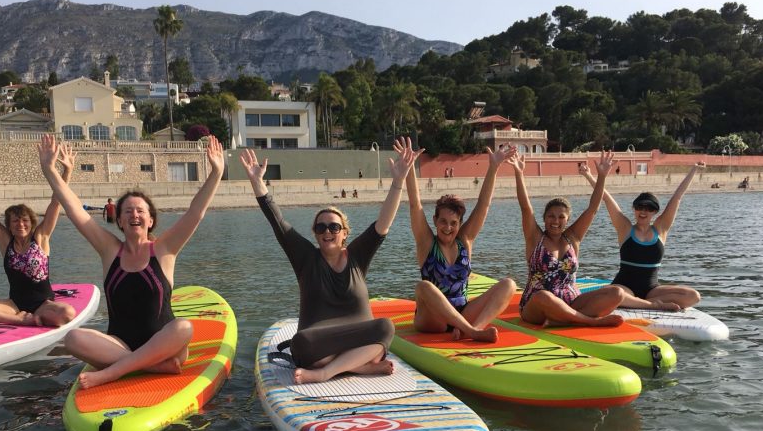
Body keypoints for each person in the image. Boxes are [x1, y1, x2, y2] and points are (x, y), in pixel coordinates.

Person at [39, 134, 225, 389]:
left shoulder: (164, 249)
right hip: (119, 345)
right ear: (120, 221)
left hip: (165, 347)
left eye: (140, 211)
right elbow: (75, 211)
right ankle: (149, 367)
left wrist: (216, 173)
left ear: (150, 221)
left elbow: (196, 212)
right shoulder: (109, 250)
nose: (134, 214)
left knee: (183, 328)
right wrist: (50, 171)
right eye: (127, 211)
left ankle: (112, 373)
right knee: (72, 338)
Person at [240, 137, 421, 384]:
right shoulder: (305, 258)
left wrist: (398, 181)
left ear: (344, 233)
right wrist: (257, 183)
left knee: (385, 327)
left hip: (351, 344)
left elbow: (384, 223)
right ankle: (359, 366)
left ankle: (327, 372)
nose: (327, 232)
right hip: (319, 343)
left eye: (334, 227)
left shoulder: (358, 255)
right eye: (321, 227)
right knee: (301, 342)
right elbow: (278, 222)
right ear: (315, 232)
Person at [0, 138, 76, 327]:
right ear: (9, 225)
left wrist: (67, 171)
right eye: (16, 221)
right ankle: (18, 321)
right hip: (13, 306)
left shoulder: (41, 237)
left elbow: (56, 201)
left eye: (25, 220)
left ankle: (31, 318)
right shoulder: (5, 241)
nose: (21, 224)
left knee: (67, 313)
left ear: (31, 223)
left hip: (43, 304)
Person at [404, 145, 518, 341]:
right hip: (433, 320)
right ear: (435, 221)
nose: (448, 227)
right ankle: (473, 332)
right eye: (443, 222)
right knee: (423, 287)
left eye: (453, 223)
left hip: (463, 312)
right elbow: (415, 204)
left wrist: (493, 167)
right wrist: (409, 168)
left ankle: (473, 329)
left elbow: (484, 205)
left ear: (460, 224)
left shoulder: (465, 241)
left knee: (509, 284)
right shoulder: (426, 242)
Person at [510, 151, 624, 327]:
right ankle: (588, 321)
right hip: (537, 306)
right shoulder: (535, 238)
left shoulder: (573, 238)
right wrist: (519, 173)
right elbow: (525, 207)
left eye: (561, 217)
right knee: (543, 296)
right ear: (544, 218)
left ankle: (562, 320)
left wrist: (601, 176)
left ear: (567, 220)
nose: (555, 221)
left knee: (617, 293)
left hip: (571, 301)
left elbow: (593, 208)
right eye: (551, 216)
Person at [579, 160, 704, 310]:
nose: (643, 212)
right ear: (634, 209)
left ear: (654, 212)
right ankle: (651, 306)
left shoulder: (661, 229)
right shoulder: (624, 228)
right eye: (639, 207)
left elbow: (677, 197)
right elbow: (606, 198)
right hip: (625, 288)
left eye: (649, 208)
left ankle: (642, 303)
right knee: (616, 293)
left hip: (652, 290)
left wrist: (694, 169)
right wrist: (588, 176)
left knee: (693, 296)